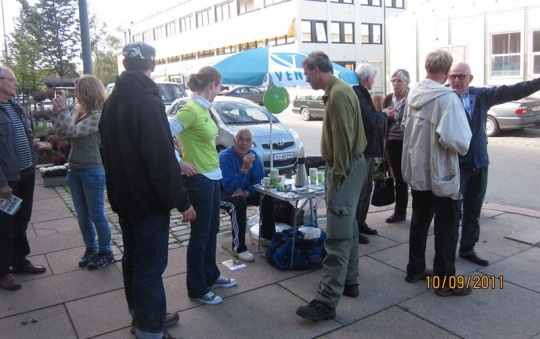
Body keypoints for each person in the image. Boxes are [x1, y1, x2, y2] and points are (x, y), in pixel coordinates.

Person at [99, 42, 195, 339]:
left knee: (133, 259)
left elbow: (107, 152)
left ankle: (142, 314)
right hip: (147, 201)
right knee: (150, 265)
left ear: (126, 64)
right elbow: (160, 158)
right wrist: (181, 201)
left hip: (124, 197)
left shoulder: (112, 101)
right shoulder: (146, 101)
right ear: (152, 64)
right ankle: (150, 328)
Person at [296, 51, 367, 321]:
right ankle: (350, 281)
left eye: (306, 74)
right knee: (348, 227)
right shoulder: (342, 89)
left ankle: (326, 301)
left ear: (316, 69)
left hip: (345, 170)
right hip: (354, 166)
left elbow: (343, 144)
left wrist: (336, 177)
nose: (306, 79)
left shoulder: (337, 95)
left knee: (337, 235)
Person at [449, 62, 540, 267]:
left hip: (479, 163)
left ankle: (467, 248)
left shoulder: (481, 96)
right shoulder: (444, 97)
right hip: (456, 166)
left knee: (474, 210)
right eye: (453, 76)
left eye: (461, 76)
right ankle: (447, 254)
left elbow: (513, 91)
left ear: (470, 78)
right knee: (454, 212)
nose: (456, 80)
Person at [401, 50, 472, 297]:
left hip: (419, 173)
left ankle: (415, 269)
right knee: (447, 226)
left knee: (420, 221)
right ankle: (444, 282)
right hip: (441, 175)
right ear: (447, 70)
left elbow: (405, 129)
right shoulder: (447, 99)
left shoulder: (413, 94)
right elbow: (460, 142)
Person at [169, 66, 237, 306]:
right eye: (220, 86)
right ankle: (196, 287)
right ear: (213, 85)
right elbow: (163, 134)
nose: (219, 91)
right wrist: (179, 162)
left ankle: (211, 274)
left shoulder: (204, 109)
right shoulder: (191, 109)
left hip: (211, 176)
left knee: (211, 230)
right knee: (200, 235)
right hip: (199, 180)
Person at [50, 76, 114, 270]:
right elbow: (63, 132)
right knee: (82, 215)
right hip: (75, 169)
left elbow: (72, 132)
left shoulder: (97, 115)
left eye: (77, 90)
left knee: (96, 214)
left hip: (92, 171)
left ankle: (106, 251)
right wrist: (57, 113)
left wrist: (62, 111)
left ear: (86, 91)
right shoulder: (81, 112)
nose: (74, 94)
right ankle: (91, 248)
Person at [0, 66, 46, 291]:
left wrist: (33, 160)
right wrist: (2, 183)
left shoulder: (15, 107)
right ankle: (3, 271)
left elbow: (27, 137)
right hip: (8, 180)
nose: (16, 83)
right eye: (12, 79)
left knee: (21, 220)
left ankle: (19, 261)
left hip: (25, 173)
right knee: (4, 226)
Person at [219, 128, 274, 262]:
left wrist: (247, 192)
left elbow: (260, 180)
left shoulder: (252, 155)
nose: (244, 143)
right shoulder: (224, 157)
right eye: (241, 139)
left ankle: (267, 236)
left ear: (251, 143)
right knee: (238, 202)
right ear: (234, 140)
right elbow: (229, 188)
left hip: (243, 191)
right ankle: (239, 248)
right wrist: (244, 169)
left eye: (248, 140)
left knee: (267, 194)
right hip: (223, 194)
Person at [352, 64, 391, 244]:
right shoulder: (358, 94)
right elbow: (370, 121)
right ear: (367, 78)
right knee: (361, 191)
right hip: (363, 151)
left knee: (367, 189)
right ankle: (354, 228)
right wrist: (384, 114)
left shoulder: (362, 93)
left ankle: (361, 223)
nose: (374, 79)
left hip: (368, 150)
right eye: (373, 76)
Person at [382, 69, 411, 223]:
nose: (395, 84)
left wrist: (398, 117)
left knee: (411, 178)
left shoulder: (412, 98)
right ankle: (400, 212)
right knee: (398, 179)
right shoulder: (388, 99)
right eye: (393, 81)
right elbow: (384, 123)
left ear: (407, 83)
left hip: (409, 143)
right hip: (392, 143)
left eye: (399, 81)